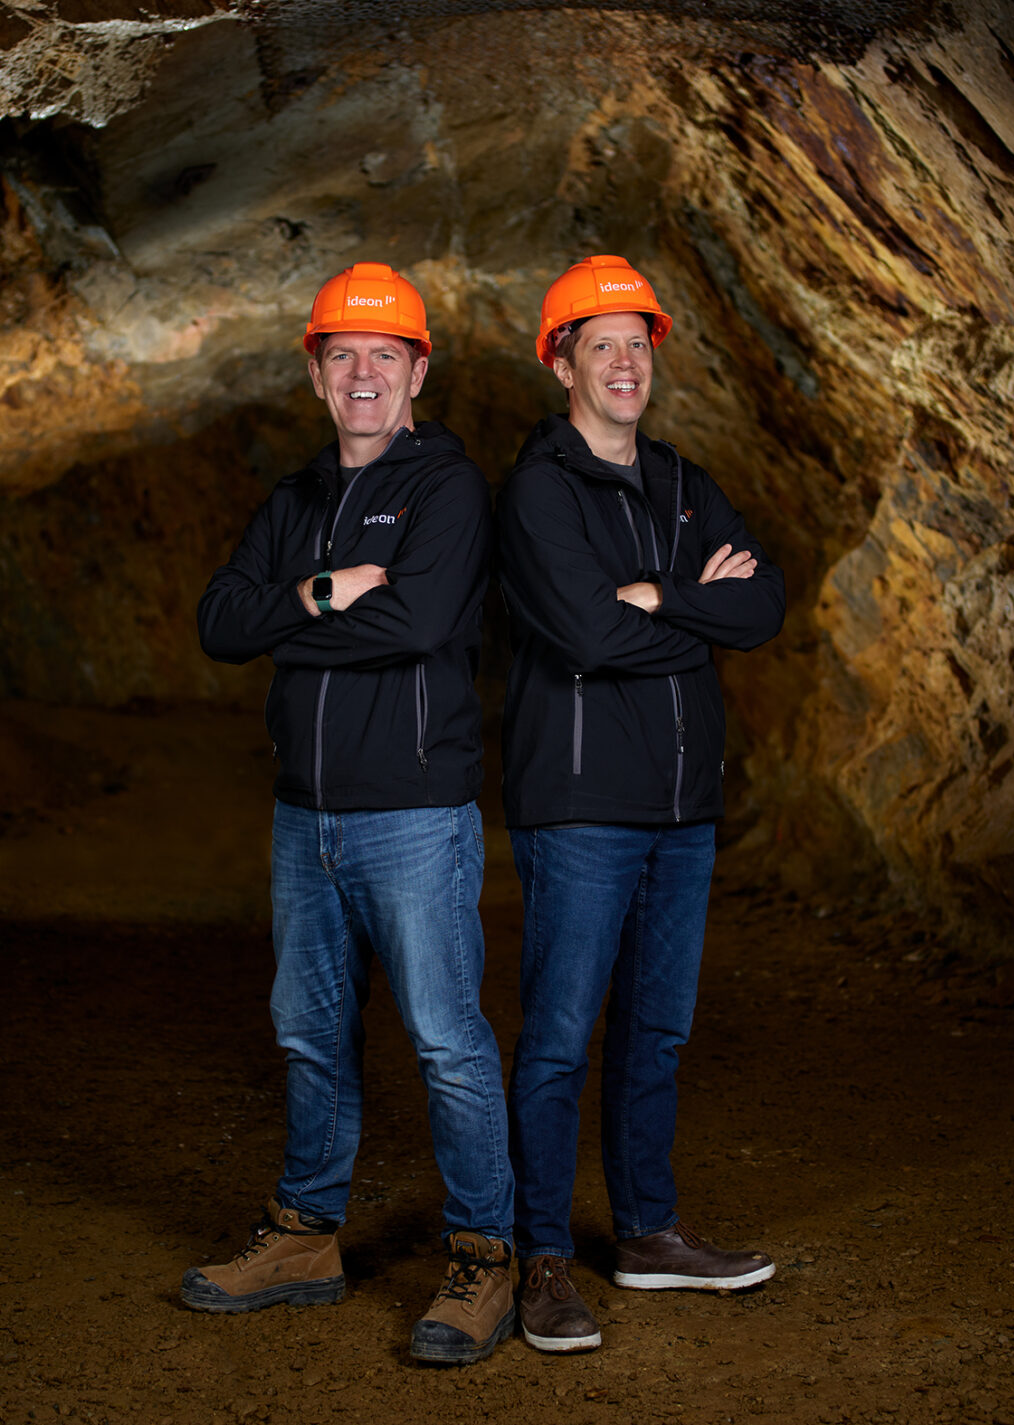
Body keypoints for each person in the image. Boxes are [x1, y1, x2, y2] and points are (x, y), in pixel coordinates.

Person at [189, 262, 515, 1366]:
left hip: (413, 814)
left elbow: (419, 625)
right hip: (304, 819)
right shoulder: (293, 502)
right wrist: (326, 592)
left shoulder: (447, 489)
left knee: (445, 1039)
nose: (363, 373)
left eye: (384, 355)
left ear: (419, 367)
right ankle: (305, 1236)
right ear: (317, 373)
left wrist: (290, 616)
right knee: (307, 1032)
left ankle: (484, 1258)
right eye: (343, 356)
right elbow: (220, 624)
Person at [494, 254, 788, 1354]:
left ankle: (649, 1234)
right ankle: (541, 1262)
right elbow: (581, 634)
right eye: (598, 343)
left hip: (681, 809)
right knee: (563, 1038)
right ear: (560, 359)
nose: (622, 362)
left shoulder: (680, 482)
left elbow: (759, 604)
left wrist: (666, 593)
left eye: (636, 342)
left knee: (655, 1034)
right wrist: (694, 609)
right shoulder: (537, 489)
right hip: (579, 807)